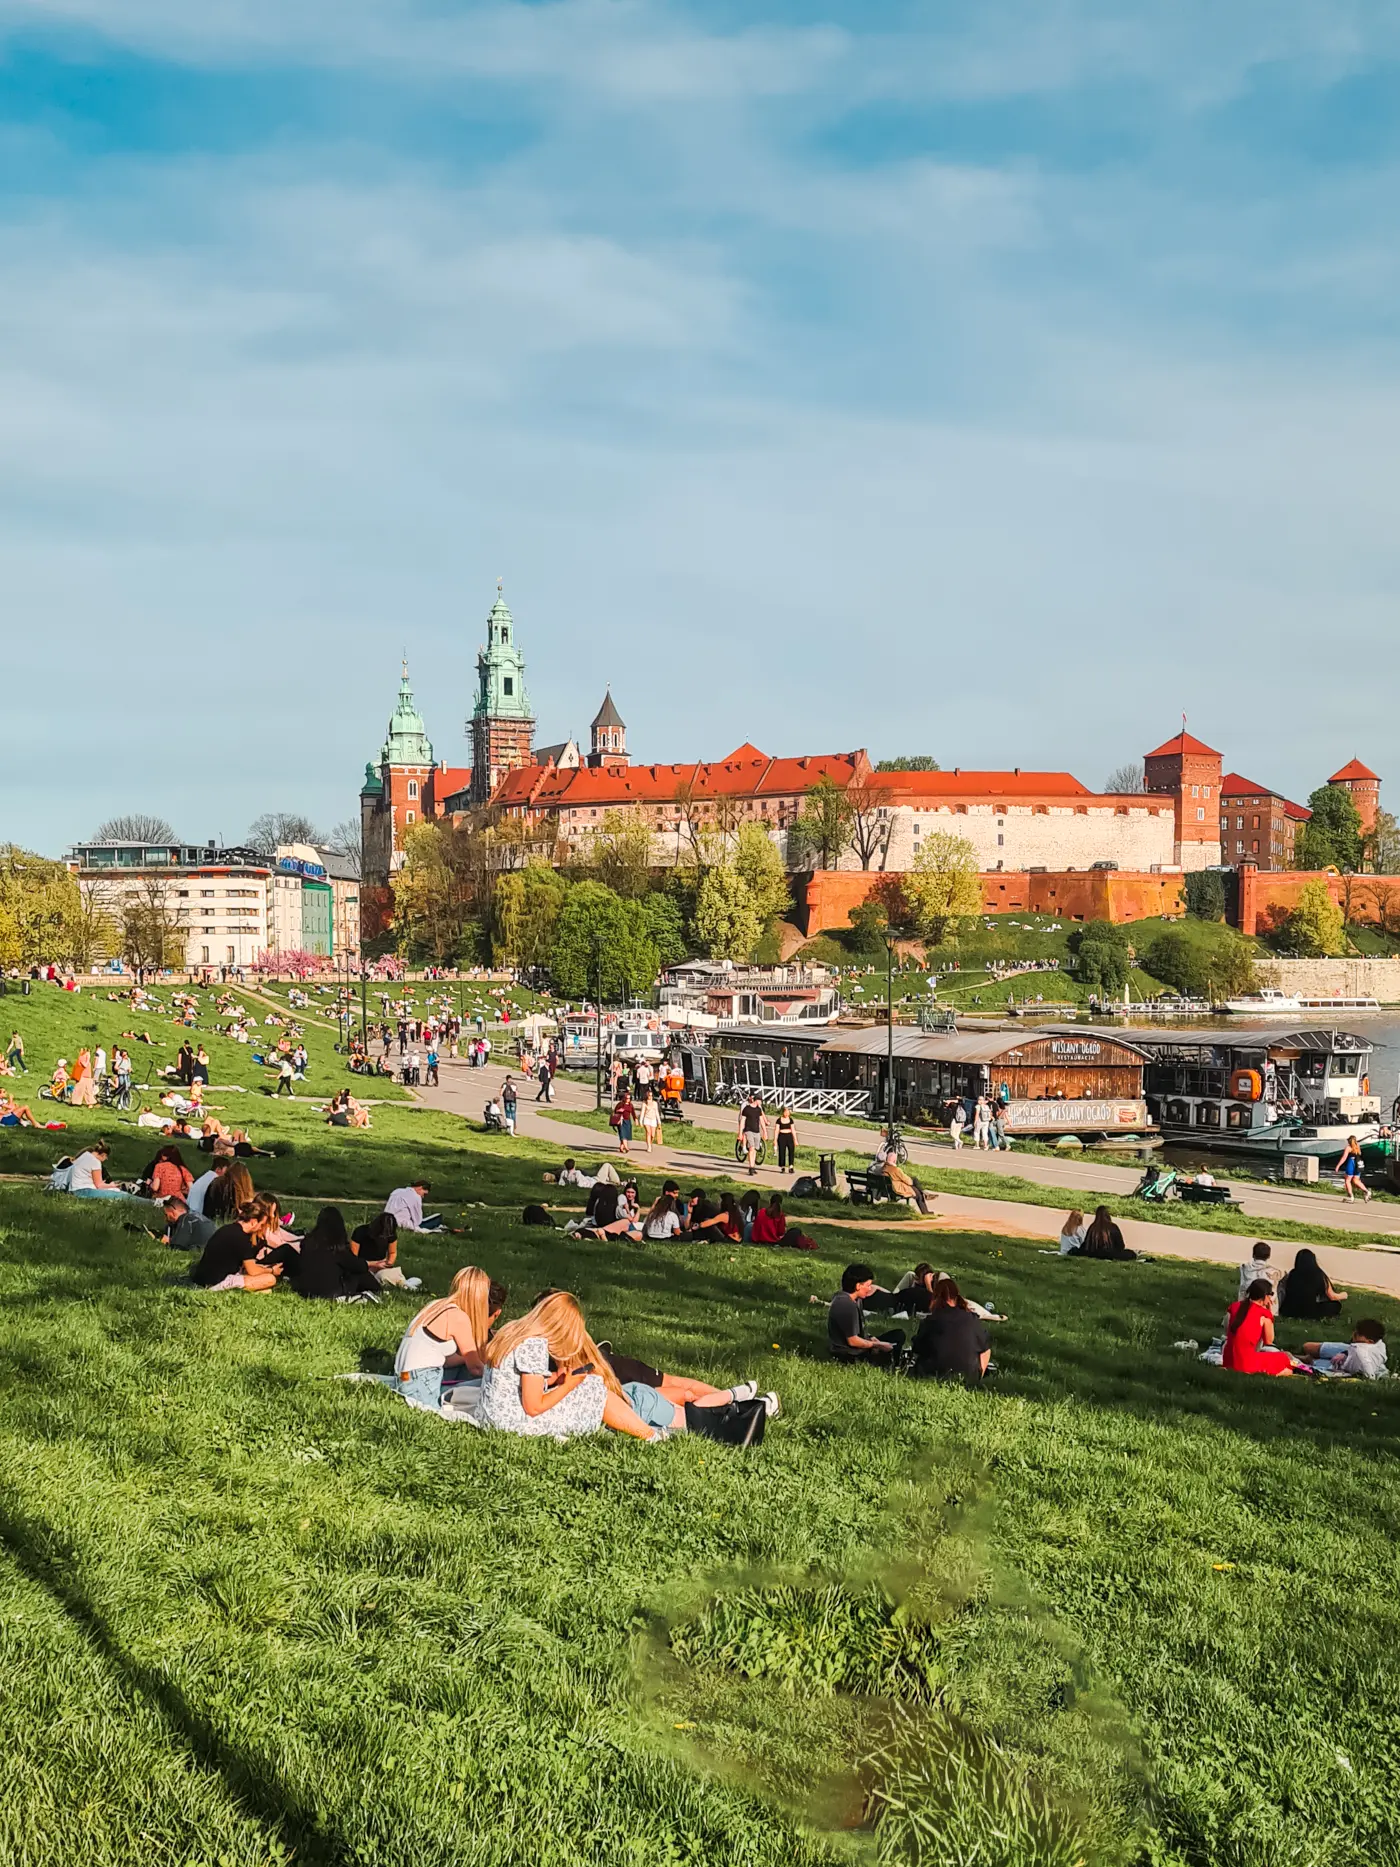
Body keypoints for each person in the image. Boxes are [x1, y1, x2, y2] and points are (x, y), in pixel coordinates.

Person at [480, 1291, 663, 1441]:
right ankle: (650, 1436)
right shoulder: (534, 1345)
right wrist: (568, 1385)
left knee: (589, 1387)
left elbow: (518, 1381)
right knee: (596, 1390)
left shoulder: (513, 1330)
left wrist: (552, 1379)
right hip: (513, 1424)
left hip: (491, 1415)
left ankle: (645, 1432)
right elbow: (533, 1407)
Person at [394, 1268, 509, 1408]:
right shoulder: (458, 1317)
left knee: (466, 1372)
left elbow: (448, 1361)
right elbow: (476, 1369)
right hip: (420, 1383)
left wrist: (466, 1358)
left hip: (405, 1377)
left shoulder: (437, 1305)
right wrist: (504, 1379)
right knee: (482, 1386)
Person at [280, 1207, 381, 1301]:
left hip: (305, 1290)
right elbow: (358, 1266)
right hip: (330, 1292)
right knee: (357, 1273)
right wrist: (370, 1264)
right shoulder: (337, 1247)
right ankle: (378, 1289)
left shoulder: (308, 1242)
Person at [191, 1195, 285, 1292]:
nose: (261, 1228)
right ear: (253, 1222)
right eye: (261, 1225)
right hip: (215, 1283)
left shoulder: (228, 1229)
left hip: (203, 1279)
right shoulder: (242, 1239)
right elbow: (253, 1271)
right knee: (270, 1279)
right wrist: (272, 1270)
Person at [911, 1277, 990, 1383]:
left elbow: (917, 1347)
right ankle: (977, 1378)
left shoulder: (931, 1319)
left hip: (933, 1372)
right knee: (985, 1350)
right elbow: (985, 1348)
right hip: (968, 1373)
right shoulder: (971, 1318)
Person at [828, 1263, 904, 1366]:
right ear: (858, 1286)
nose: (870, 1289)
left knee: (898, 1334)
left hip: (860, 1346)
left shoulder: (855, 1299)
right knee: (893, 1346)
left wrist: (871, 1338)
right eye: (868, 1286)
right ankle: (896, 1365)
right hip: (849, 1354)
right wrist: (876, 1345)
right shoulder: (846, 1305)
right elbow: (852, 1341)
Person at [1222, 1279, 1294, 1376]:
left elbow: (1228, 1330)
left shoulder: (1234, 1307)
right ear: (1265, 1295)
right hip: (1245, 1363)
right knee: (1284, 1359)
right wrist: (1270, 1314)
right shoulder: (1264, 1315)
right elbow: (1269, 1341)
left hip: (1228, 1359)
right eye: (1271, 1294)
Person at [1303, 1319, 1388, 1379]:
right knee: (1308, 1347)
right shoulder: (1378, 1343)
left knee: (1313, 1361)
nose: (1353, 1336)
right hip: (1348, 1353)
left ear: (1370, 1342)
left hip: (1344, 1366)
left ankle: (1304, 1358)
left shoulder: (1361, 1355)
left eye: (1356, 1335)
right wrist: (1346, 1353)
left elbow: (1369, 1374)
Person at [1278, 1248, 1346, 1320]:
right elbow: (1332, 1296)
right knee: (1336, 1305)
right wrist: (1343, 1295)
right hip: (1308, 1311)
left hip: (1289, 1309)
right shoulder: (1319, 1274)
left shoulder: (1292, 1273)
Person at [1335, 1135, 1372, 1203]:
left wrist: (1338, 1166)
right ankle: (1367, 1191)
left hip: (1351, 1163)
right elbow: (1360, 1154)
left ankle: (1351, 1197)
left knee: (1347, 1180)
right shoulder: (1358, 1147)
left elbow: (1344, 1158)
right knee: (1356, 1180)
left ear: (1349, 1141)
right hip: (1358, 1164)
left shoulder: (1348, 1148)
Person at [737, 1092, 767, 1175]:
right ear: (756, 1100)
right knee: (751, 1148)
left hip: (757, 1131)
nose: (761, 1102)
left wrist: (765, 1132)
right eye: (760, 1100)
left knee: (755, 1149)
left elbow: (761, 1121)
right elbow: (742, 1121)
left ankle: (753, 1166)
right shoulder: (747, 1109)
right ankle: (751, 1167)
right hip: (748, 1130)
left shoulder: (758, 1110)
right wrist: (740, 1133)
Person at [611, 1087, 635, 1156]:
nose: (628, 1100)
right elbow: (615, 1111)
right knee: (623, 1135)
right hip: (621, 1121)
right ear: (624, 1098)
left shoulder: (630, 1105)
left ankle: (621, 1147)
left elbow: (633, 1112)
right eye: (627, 1098)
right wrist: (619, 1110)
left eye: (629, 1098)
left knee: (626, 1135)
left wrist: (635, 1119)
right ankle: (626, 1147)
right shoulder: (620, 1104)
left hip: (628, 1121)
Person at [775, 1106, 797, 1172]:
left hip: (789, 1136)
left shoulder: (790, 1120)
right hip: (782, 1136)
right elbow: (776, 1130)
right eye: (785, 1112)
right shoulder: (779, 1120)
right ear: (783, 1112)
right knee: (782, 1151)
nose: (787, 1113)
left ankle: (791, 1166)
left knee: (791, 1151)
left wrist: (795, 1139)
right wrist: (775, 1140)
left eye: (788, 1112)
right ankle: (782, 1166)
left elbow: (793, 1130)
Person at [639, 1089, 662, 1153]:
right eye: (649, 1095)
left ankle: (650, 1143)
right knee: (648, 1132)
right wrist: (641, 1121)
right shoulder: (644, 1103)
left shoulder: (655, 1103)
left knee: (653, 1135)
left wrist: (659, 1121)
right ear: (647, 1096)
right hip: (647, 1119)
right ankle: (649, 1146)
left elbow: (657, 1113)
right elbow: (642, 1112)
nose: (650, 1097)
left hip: (653, 1120)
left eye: (651, 1096)